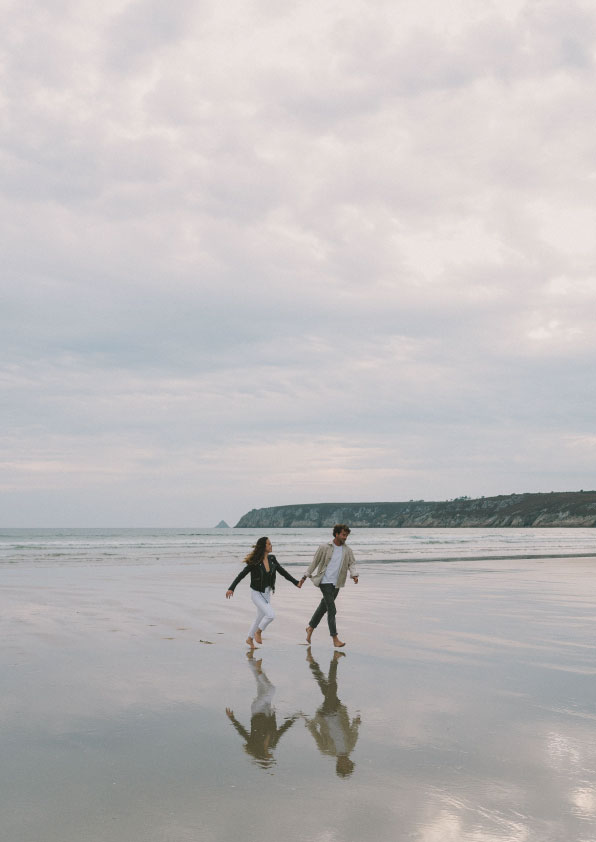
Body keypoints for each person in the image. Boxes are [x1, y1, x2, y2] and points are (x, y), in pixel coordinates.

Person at [225, 651, 299, 769]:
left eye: (269, 758)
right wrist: (294, 718)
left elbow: (242, 732)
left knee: (271, 689)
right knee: (261, 684)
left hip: (257, 710)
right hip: (267, 710)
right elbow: (282, 730)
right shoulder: (272, 743)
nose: (271, 756)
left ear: (264, 757)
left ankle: (258, 670)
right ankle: (250, 660)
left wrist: (232, 718)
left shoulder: (254, 743)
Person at [226, 536, 302, 647]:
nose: (271, 545)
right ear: (263, 546)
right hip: (256, 593)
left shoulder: (272, 559)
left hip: (267, 593)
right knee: (270, 615)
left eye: (270, 543)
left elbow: (283, 572)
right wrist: (231, 588)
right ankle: (258, 632)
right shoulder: (255, 561)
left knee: (260, 617)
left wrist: (296, 582)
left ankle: (249, 639)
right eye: (269, 544)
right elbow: (241, 575)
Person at [302, 648, 360, 777]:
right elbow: (353, 732)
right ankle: (312, 662)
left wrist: (310, 721)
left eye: (346, 766)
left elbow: (315, 733)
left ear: (338, 765)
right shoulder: (350, 747)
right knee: (326, 687)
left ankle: (334, 660)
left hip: (325, 714)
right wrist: (356, 722)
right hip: (339, 711)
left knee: (331, 687)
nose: (348, 763)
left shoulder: (326, 750)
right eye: (349, 764)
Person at [299, 524, 358, 648]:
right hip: (324, 581)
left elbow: (351, 564)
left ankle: (310, 628)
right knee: (332, 609)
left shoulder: (347, 550)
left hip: (337, 583)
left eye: (347, 535)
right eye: (343, 534)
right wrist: (305, 576)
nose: (345, 537)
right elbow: (314, 563)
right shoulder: (324, 547)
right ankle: (335, 638)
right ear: (336, 534)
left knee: (323, 607)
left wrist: (354, 575)